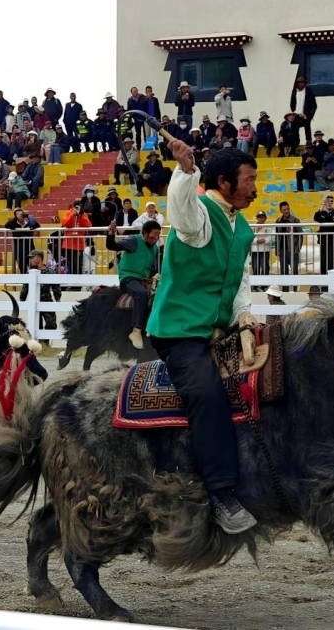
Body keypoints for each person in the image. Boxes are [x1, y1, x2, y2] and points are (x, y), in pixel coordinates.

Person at [146, 143, 260, 534]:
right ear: (224, 182)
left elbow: (241, 280)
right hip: (181, 332)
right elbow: (181, 211)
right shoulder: (200, 216)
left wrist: (244, 313)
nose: (254, 188)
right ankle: (222, 495)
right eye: (249, 180)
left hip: (223, 328)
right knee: (208, 395)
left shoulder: (242, 227)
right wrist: (185, 171)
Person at [106, 219, 161, 348]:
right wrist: (111, 234)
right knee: (141, 294)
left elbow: (151, 268)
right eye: (153, 235)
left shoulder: (155, 248)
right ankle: (136, 331)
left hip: (144, 279)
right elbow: (113, 246)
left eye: (158, 235)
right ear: (145, 233)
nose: (156, 238)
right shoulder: (133, 240)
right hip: (129, 278)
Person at [20, 249, 61, 333]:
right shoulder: (30, 273)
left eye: (32, 258)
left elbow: (56, 287)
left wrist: (57, 298)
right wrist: (22, 300)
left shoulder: (50, 272)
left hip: (47, 301)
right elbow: (25, 289)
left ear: (38, 258)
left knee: (51, 324)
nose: (31, 260)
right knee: (36, 326)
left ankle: (45, 340)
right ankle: (39, 341)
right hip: (34, 302)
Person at [313, 195, 334, 274]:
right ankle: (324, 278)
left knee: (332, 260)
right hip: (324, 240)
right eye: (327, 202)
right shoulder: (322, 213)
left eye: (331, 202)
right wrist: (321, 208)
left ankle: (332, 278)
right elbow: (316, 218)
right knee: (324, 260)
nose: (329, 204)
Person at [275, 201, 303, 288]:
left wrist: (297, 248)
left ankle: (295, 289)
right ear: (281, 211)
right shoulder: (278, 221)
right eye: (284, 210)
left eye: (288, 209)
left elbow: (300, 235)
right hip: (282, 250)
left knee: (294, 271)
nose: (287, 211)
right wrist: (277, 249)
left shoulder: (295, 220)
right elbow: (277, 236)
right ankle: (285, 290)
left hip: (293, 250)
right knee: (284, 271)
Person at [60, 201, 93, 276]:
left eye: (79, 208)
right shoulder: (68, 213)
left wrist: (81, 216)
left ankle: (78, 282)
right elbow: (65, 223)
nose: (78, 209)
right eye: (77, 207)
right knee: (70, 265)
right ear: (73, 207)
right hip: (68, 244)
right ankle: (71, 281)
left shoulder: (83, 214)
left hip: (79, 245)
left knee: (78, 265)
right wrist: (72, 214)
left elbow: (88, 225)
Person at [289, 76, 317, 144]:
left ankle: (308, 141)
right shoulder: (294, 92)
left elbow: (314, 105)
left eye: (302, 83)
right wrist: (293, 112)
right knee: (295, 128)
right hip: (296, 114)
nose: (301, 84)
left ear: (305, 83)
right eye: (299, 83)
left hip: (305, 114)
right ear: (297, 83)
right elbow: (292, 103)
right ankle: (295, 142)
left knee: (307, 126)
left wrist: (310, 116)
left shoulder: (309, 91)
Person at [250, 210, 272, 285]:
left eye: (262, 217)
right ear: (257, 218)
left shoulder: (268, 227)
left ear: (265, 218)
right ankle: (256, 284)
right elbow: (249, 238)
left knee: (265, 267)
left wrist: (265, 240)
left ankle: (264, 284)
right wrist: (256, 241)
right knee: (255, 267)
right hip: (255, 250)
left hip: (265, 250)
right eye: (259, 217)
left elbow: (272, 237)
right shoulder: (252, 227)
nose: (261, 219)